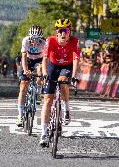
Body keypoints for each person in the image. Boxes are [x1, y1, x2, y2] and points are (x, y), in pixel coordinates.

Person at [39, 18, 80, 146]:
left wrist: (73, 76)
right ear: (57, 32)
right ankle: (44, 133)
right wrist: (45, 74)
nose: (63, 33)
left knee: (63, 82)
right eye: (60, 30)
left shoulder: (74, 41)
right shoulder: (50, 40)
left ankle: (67, 109)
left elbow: (76, 60)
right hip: (53, 66)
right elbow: (45, 58)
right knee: (47, 99)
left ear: (69, 32)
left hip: (66, 66)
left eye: (66, 31)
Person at [16, 25, 45, 127]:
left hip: (39, 60)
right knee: (23, 86)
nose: (35, 42)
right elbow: (23, 57)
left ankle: (37, 92)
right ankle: (20, 115)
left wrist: (40, 69)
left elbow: (45, 60)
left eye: (38, 39)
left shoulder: (44, 43)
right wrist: (25, 70)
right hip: (28, 60)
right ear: (30, 37)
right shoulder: (25, 41)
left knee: (40, 72)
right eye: (33, 39)